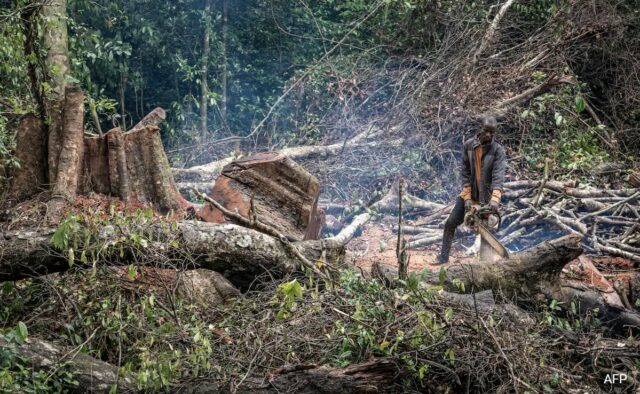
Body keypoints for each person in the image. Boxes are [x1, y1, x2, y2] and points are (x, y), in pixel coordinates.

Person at [436, 116, 507, 264]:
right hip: (469, 194)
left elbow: (498, 176)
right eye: (486, 131)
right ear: (480, 128)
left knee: (485, 232)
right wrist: (467, 197)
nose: (488, 135)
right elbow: (465, 173)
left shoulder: (498, 151)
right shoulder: (469, 145)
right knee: (450, 223)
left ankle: (485, 265)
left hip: (486, 198)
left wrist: (495, 198)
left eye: (492, 132)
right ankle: (443, 258)